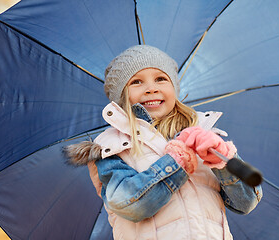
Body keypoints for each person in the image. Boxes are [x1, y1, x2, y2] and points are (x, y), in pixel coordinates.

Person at [64, 45, 262, 240]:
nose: (151, 88)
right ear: (121, 96)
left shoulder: (203, 133)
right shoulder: (112, 146)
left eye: (161, 79)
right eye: (136, 82)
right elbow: (129, 204)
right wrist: (176, 161)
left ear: (174, 88)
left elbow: (246, 202)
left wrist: (222, 159)